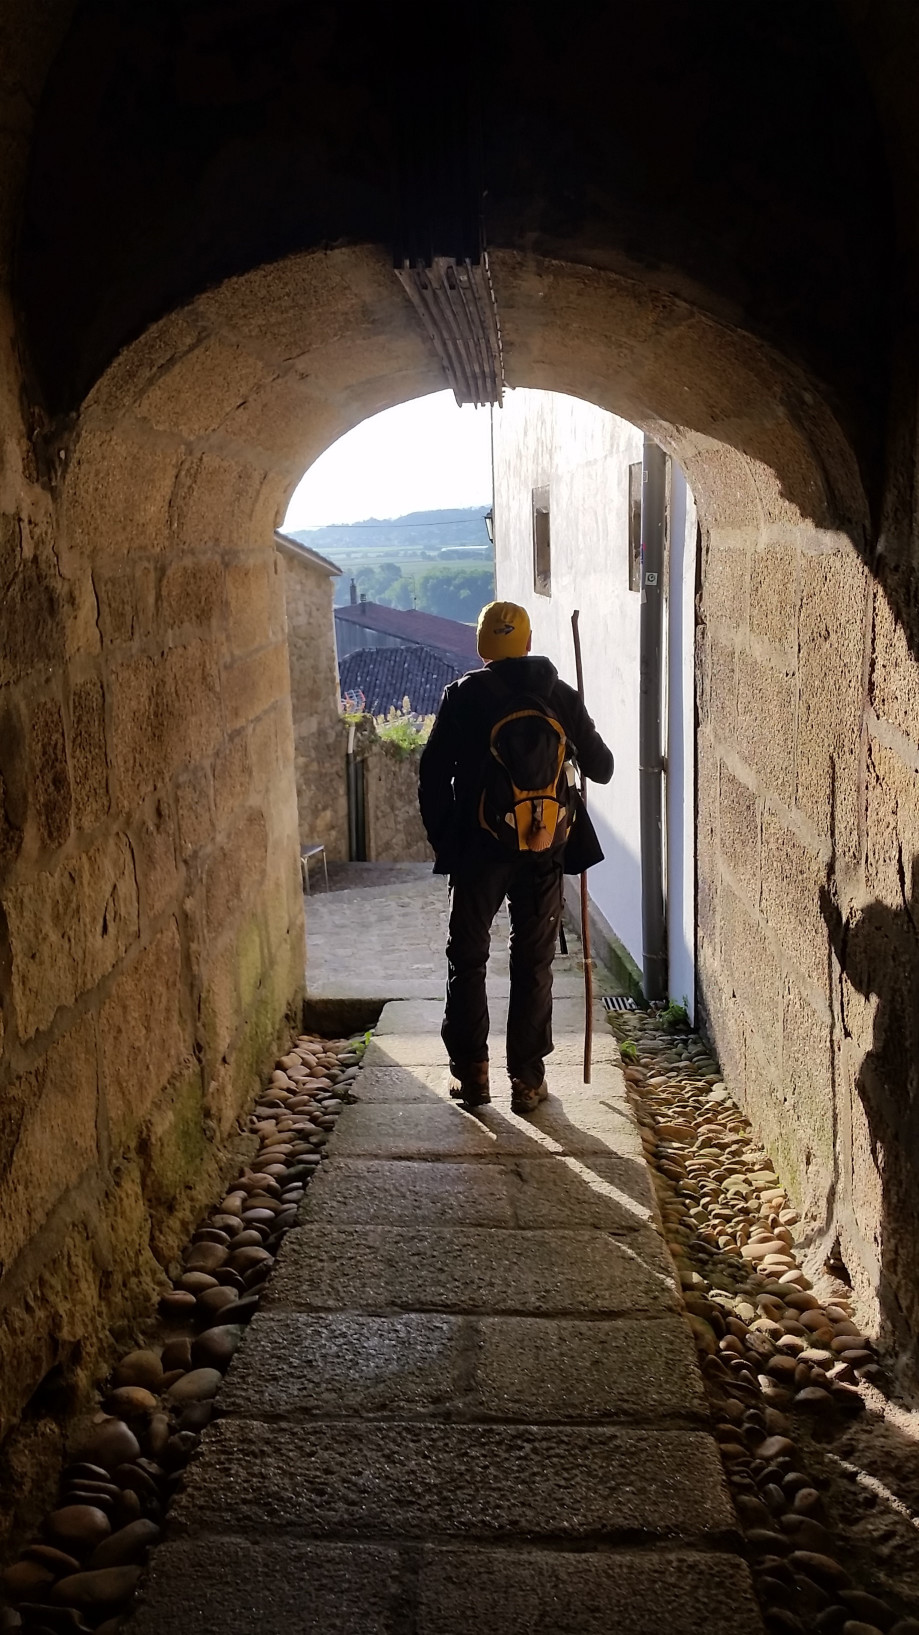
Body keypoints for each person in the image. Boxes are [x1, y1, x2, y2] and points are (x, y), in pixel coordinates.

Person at [418, 599, 614, 1114]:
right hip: (544, 848)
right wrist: (573, 727)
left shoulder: (462, 696)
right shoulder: (559, 694)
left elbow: (432, 776)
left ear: (483, 647)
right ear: (527, 643)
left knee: (468, 959)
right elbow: (604, 768)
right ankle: (527, 1081)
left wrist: (448, 841)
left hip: (477, 852)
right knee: (534, 962)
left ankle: (472, 1077)